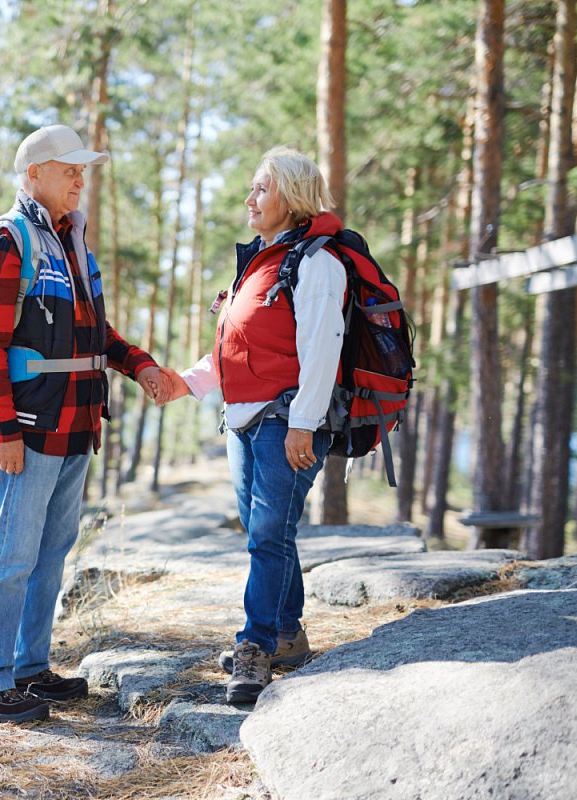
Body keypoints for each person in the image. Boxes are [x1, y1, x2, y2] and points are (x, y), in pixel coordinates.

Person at [0, 124, 169, 723]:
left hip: (77, 426)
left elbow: (94, 333)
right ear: (33, 175)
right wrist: (2, 430)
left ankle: (28, 668)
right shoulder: (10, 240)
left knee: (50, 553)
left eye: (84, 168)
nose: (81, 178)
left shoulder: (71, 244)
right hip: (28, 428)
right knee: (11, 555)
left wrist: (141, 366)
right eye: (68, 167)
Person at [162, 146, 346, 705]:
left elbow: (322, 351)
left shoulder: (318, 264)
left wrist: (304, 424)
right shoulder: (262, 263)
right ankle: (287, 635)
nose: (250, 199)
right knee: (266, 532)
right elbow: (235, 348)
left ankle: (256, 646)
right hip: (243, 421)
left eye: (261, 189)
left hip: (284, 420)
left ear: (290, 197)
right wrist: (185, 383)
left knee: (268, 535)